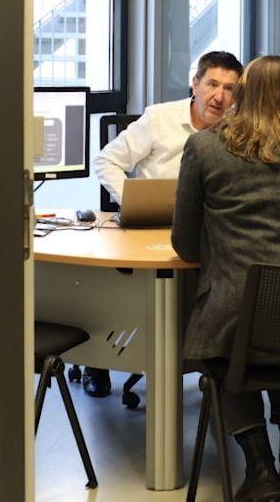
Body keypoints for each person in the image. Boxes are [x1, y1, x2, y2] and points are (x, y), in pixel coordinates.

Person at [172, 54, 280, 502]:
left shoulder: (206, 147)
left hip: (240, 316)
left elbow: (185, 245)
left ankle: (260, 467)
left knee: (226, 344)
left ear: (241, 94)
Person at [81, 49, 241, 398]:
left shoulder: (238, 129)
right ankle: (100, 358)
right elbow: (106, 160)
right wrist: (133, 199)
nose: (220, 96)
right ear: (194, 84)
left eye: (230, 89)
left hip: (207, 231)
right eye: (212, 84)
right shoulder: (159, 119)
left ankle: (205, 353)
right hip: (151, 228)